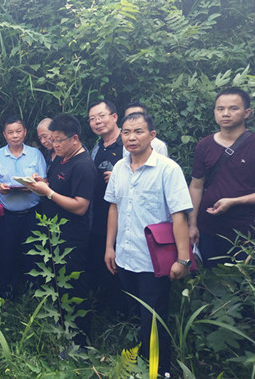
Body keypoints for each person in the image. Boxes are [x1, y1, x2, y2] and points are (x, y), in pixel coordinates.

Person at [104, 112, 192, 374]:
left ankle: (159, 369)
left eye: (138, 131)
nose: (132, 137)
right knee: (136, 316)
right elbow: (114, 209)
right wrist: (110, 247)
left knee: (153, 320)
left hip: (154, 261)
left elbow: (179, 215)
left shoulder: (168, 169)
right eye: (127, 132)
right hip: (125, 256)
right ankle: (138, 364)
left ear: (152, 136)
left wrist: (183, 259)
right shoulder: (119, 168)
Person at [26, 114, 97, 344]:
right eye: (52, 140)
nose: (54, 145)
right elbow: (56, 186)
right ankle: (63, 331)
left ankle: (81, 342)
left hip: (72, 238)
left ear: (74, 138)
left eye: (58, 140)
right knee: (59, 285)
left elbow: (80, 206)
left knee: (74, 287)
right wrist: (42, 182)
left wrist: (48, 192)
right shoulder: (62, 159)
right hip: (54, 234)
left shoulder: (83, 165)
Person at [188, 87, 255, 267]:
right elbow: (196, 186)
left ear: (246, 113)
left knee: (242, 285)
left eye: (233, 108)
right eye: (220, 109)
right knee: (211, 282)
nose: (226, 113)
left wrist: (234, 201)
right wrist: (192, 225)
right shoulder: (204, 145)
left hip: (245, 233)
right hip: (208, 229)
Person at [0, 116, 46, 299]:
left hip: (31, 214)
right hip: (6, 215)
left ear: (25, 132)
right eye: (10, 132)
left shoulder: (35, 154)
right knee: (7, 254)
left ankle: (32, 294)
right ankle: (6, 292)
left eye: (18, 131)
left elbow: (44, 181)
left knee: (32, 254)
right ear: (4, 135)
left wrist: (37, 183)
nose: (15, 136)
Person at [87, 100, 125, 313]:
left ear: (114, 117)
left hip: (124, 221)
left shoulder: (127, 144)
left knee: (121, 271)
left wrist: (120, 179)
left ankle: (125, 319)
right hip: (99, 218)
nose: (97, 122)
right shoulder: (97, 147)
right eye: (92, 119)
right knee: (102, 267)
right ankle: (106, 314)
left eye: (101, 116)